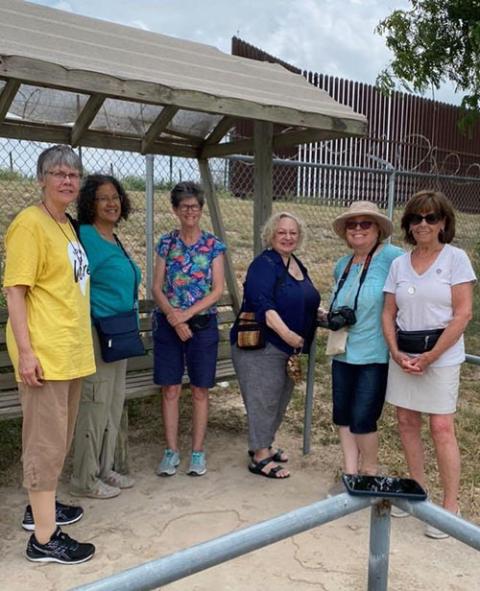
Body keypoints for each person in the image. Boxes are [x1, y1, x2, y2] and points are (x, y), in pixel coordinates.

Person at [3, 145, 96, 564]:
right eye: (57, 173)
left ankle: (41, 508)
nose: (66, 181)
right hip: (45, 354)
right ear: (41, 178)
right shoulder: (30, 224)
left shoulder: (65, 225)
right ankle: (44, 539)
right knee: (44, 443)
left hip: (69, 351)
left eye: (73, 175)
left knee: (58, 440)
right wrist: (26, 352)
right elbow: (15, 291)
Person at [382, 190, 475, 538]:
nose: (423, 224)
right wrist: (394, 351)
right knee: (406, 421)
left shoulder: (455, 259)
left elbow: (463, 313)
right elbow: (388, 312)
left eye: (431, 218)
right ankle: (416, 491)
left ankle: (450, 507)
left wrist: (432, 356)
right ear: (408, 224)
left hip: (441, 355)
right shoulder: (398, 264)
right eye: (416, 218)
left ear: (443, 223)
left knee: (441, 428)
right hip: (405, 353)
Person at [231, 211, 320, 479]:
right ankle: (259, 456)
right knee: (264, 400)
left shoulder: (295, 263)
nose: (288, 237)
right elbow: (264, 307)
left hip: (288, 349)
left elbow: (305, 297)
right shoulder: (263, 264)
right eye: (282, 232)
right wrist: (289, 335)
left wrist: (322, 314)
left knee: (279, 399)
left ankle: (265, 444)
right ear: (271, 234)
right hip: (264, 346)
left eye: (293, 233)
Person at [70, 174, 140, 499]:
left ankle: (105, 468)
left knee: (113, 404)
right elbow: (75, 286)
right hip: (97, 333)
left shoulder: (113, 237)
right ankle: (83, 479)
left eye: (115, 196)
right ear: (90, 204)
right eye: (103, 198)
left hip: (120, 332)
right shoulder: (84, 237)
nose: (111, 203)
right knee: (94, 405)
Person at [323, 201, 403, 477]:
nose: (358, 229)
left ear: (378, 229)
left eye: (365, 224)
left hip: (374, 354)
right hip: (343, 351)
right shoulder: (342, 265)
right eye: (352, 224)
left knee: (363, 418)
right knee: (342, 415)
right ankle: (350, 474)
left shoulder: (392, 257)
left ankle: (369, 473)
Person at [152, 181, 225, 477]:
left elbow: (217, 290)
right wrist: (173, 316)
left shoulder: (213, 245)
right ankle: (171, 452)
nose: (190, 211)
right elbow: (157, 287)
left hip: (202, 324)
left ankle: (197, 452)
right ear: (175, 210)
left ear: (201, 208)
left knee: (199, 390)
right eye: (184, 207)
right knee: (170, 388)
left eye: (194, 206)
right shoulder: (166, 243)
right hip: (169, 325)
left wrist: (186, 316)